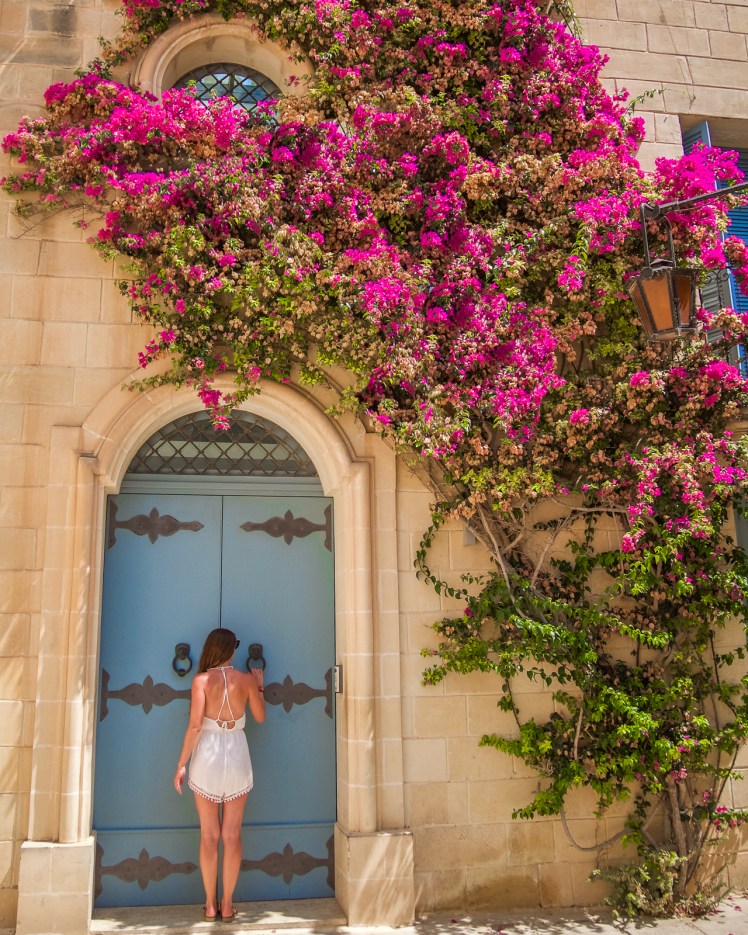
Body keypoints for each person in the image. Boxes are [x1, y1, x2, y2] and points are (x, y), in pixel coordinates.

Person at [174, 627, 265, 922]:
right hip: (237, 753)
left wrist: (181, 764)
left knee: (209, 835)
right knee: (232, 834)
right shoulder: (247, 680)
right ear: (231, 650)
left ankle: (209, 905)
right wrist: (260, 688)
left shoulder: (200, 680)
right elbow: (260, 717)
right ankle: (227, 905)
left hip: (208, 757)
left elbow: (196, 726)